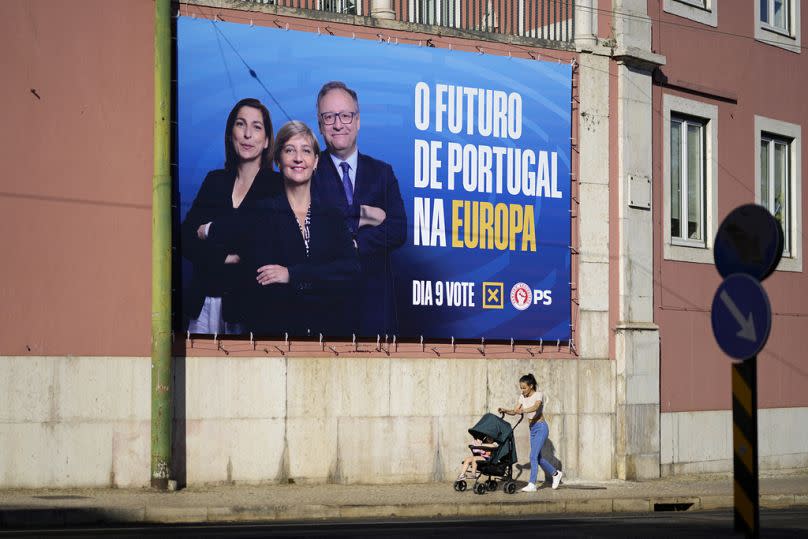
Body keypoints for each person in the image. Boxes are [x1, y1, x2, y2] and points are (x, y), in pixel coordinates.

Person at [244, 120, 360, 336]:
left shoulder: (331, 215)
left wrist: (292, 274)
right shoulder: (262, 213)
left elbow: (350, 271)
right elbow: (264, 280)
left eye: (306, 151)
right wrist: (323, 277)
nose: (298, 158)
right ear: (278, 160)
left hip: (329, 334)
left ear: (315, 161)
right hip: (278, 335)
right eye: (290, 150)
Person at [313, 81, 407, 337]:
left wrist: (355, 244)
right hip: (324, 310)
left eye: (345, 115)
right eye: (329, 116)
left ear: (357, 121)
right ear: (320, 125)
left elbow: (398, 229)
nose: (338, 124)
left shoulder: (382, 173)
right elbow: (313, 225)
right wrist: (367, 216)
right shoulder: (307, 170)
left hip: (375, 310)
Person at [181, 97, 280, 334]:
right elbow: (185, 239)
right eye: (240, 124)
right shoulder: (214, 181)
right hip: (203, 304)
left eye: (256, 127)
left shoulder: (276, 186)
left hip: (249, 308)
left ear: (266, 140)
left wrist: (209, 232)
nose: (247, 134)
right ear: (230, 133)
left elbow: (261, 246)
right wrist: (227, 257)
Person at [498, 373, 563, 492]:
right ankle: (555, 474)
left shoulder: (539, 395)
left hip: (541, 427)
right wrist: (506, 410)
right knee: (537, 458)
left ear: (531, 386)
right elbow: (516, 411)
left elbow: (535, 407)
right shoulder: (522, 397)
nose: (522, 390)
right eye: (521, 388)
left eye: (524, 388)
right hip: (532, 429)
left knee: (533, 456)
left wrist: (523, 410)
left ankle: (532, 484)